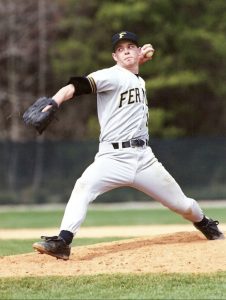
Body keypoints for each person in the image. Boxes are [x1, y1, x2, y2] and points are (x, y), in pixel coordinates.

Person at [33, 31, 225, 260]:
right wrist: (55, 101)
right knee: (83, 187)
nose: (126, 50)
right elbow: (77, 85)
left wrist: (137, 61)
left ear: (137, 50)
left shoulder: (137, 79)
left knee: (182, 205)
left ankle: (205, 224)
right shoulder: (110, 75)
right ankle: (63, 241)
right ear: (114, 56)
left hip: (144, 159)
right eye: (120, 48)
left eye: (130, 46)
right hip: (112, 158)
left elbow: (131, 73)